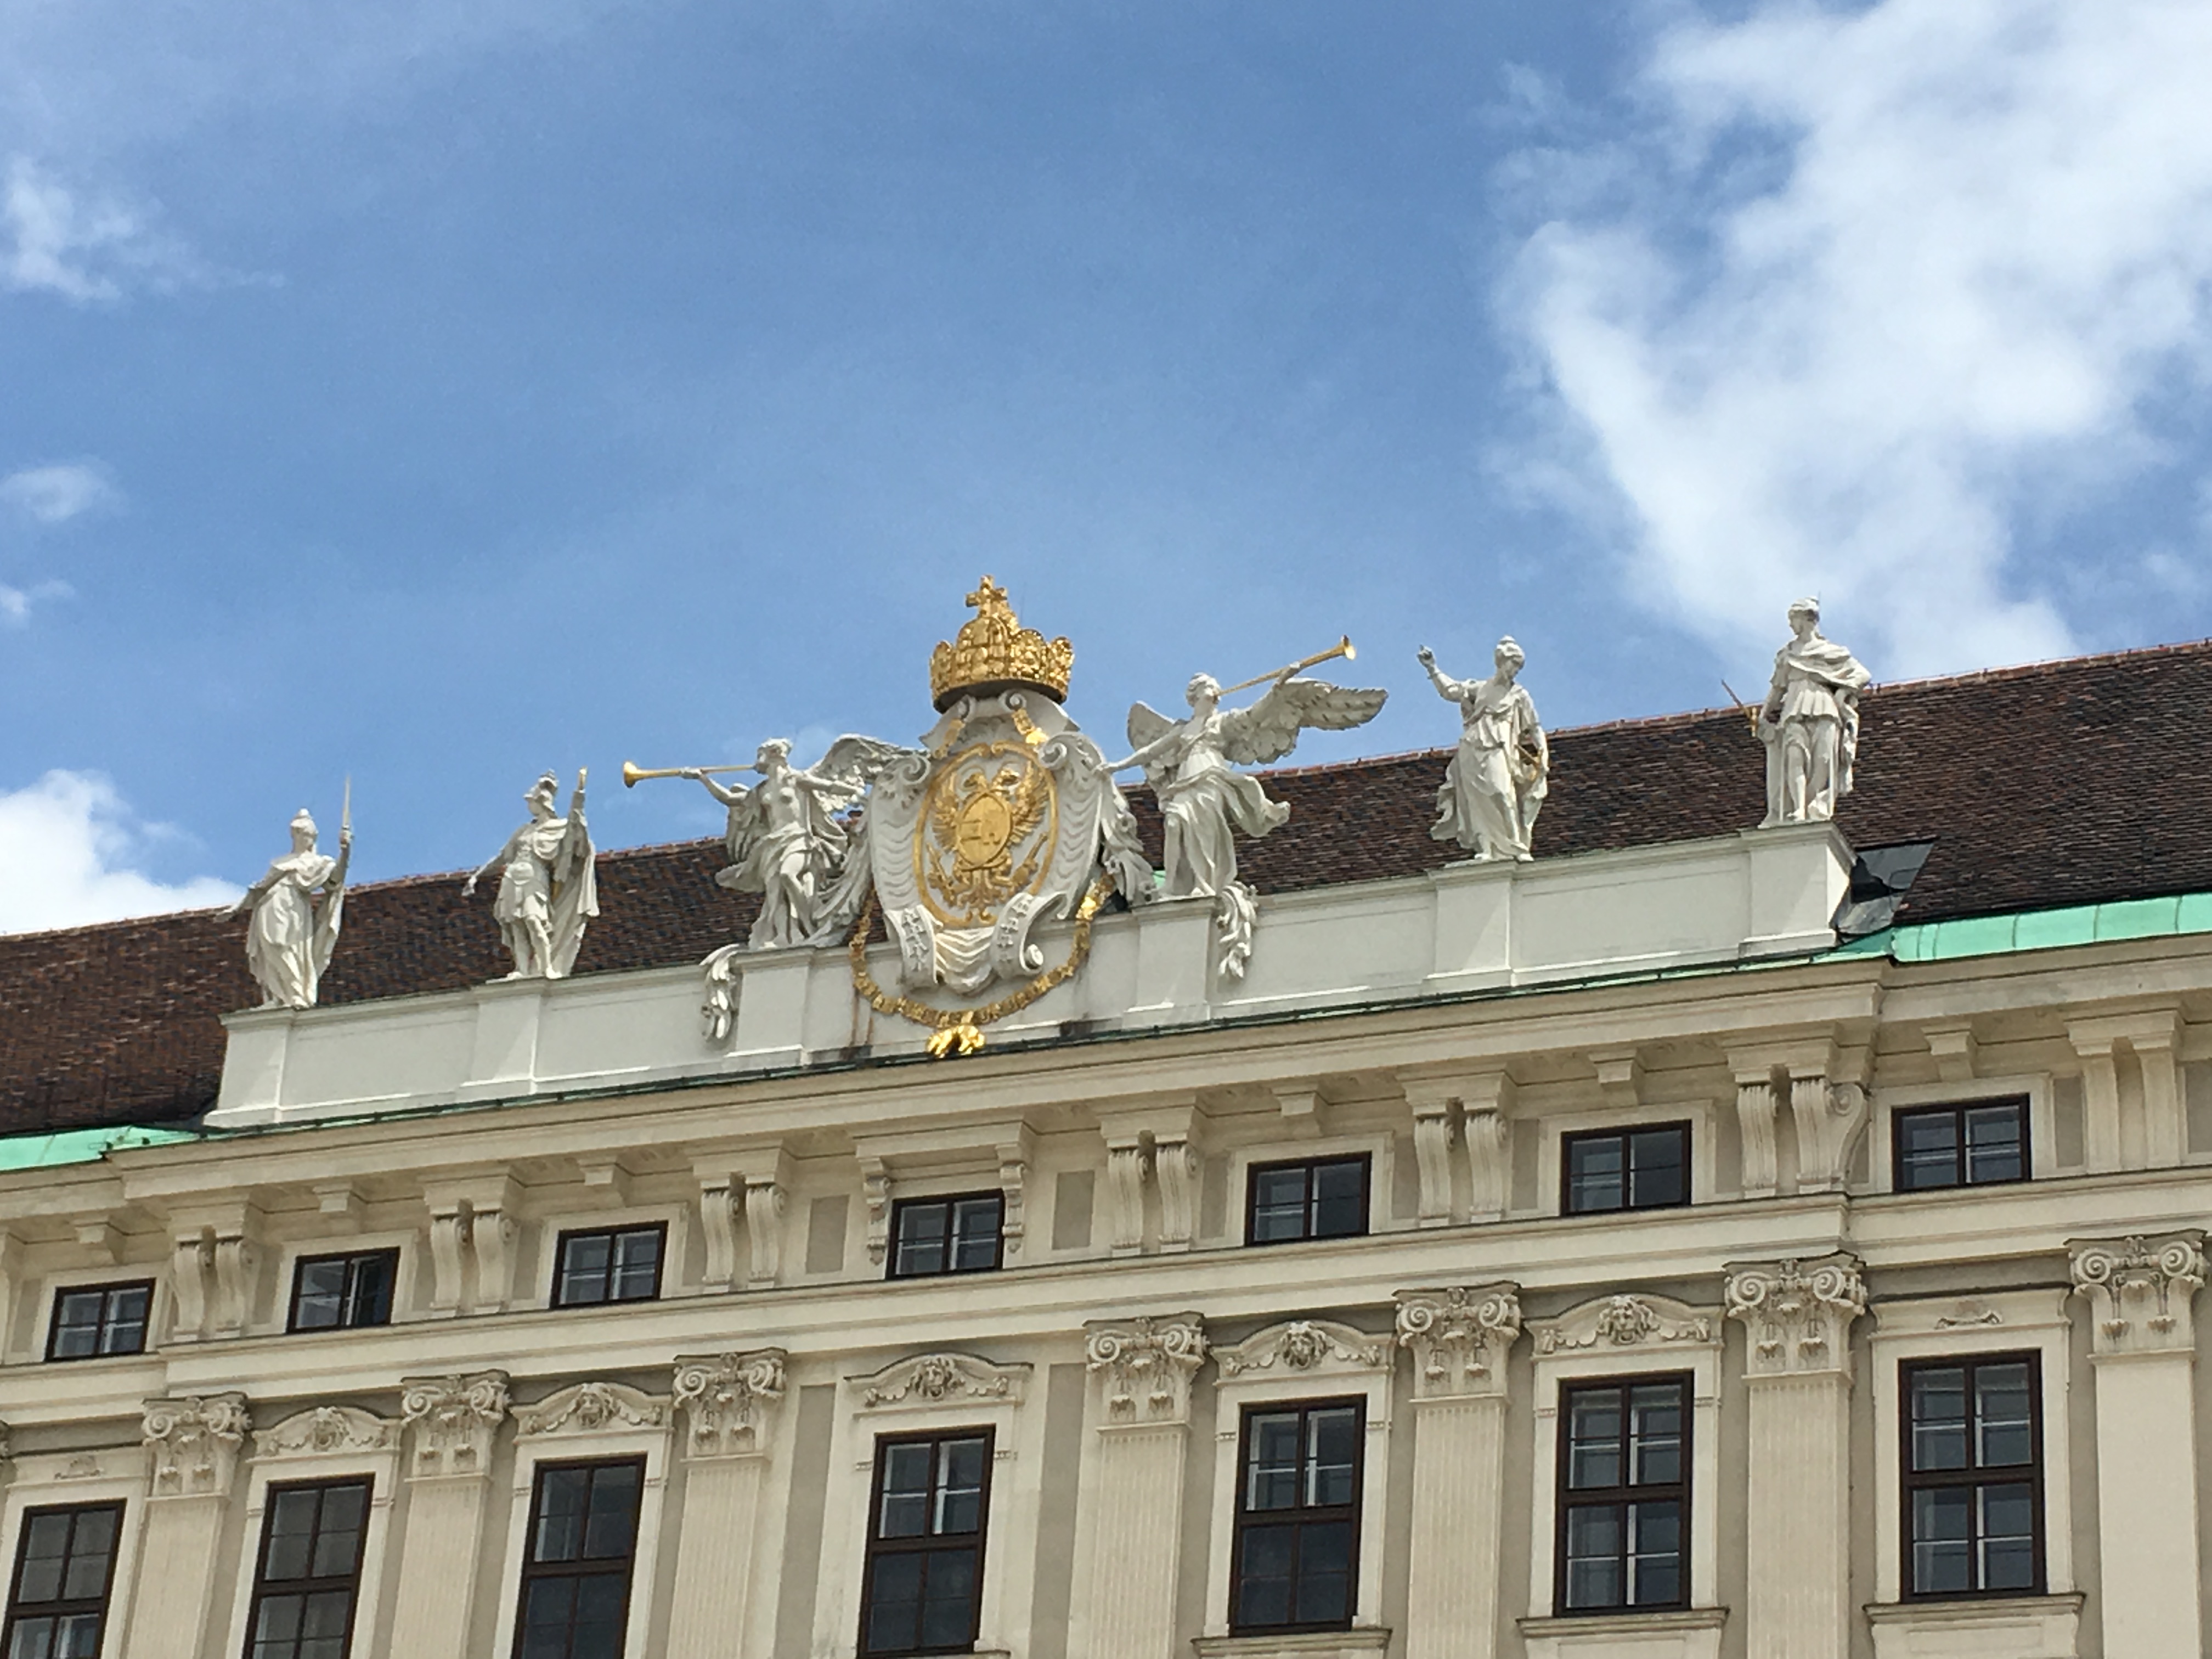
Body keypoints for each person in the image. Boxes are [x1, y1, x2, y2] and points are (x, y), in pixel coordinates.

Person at [1419, 637, 1549, 861]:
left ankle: (1516, 845)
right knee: (1476, 799)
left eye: (1518, 667)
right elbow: (1450, 691)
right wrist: (1432, 668)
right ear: (1501, 661)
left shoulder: (1519, 695)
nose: (1515, 671)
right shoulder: (1480, 688)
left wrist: (1543, 753)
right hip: (1472, 748)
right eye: (1513, 664)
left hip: (1499, 748)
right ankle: (1485, 847)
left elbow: (1535, 727)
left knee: (1502, 793)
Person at [464, 770, 597, 978]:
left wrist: (578, 802)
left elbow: (576, 841)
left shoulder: (560, 828)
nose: (529, 805)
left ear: (541, 803)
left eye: (531, 801)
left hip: (535, 877)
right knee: (517, 926)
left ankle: (546, 967)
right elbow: (502, 856)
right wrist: (477, 876)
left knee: (534, 922)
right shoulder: (524, 830)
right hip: (512, 877)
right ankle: (522, 969)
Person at [1759, 599, 1871, 826]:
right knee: (1795, 757)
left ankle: (1815, 808)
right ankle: (1798, 810)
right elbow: (1778, 688)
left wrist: (1843, 692)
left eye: (1793, 619)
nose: (1791, 625)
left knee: (1823, 761)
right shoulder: (1787, 654)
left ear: (1806, 619)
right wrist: (1762, 715)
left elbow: (1862, 675)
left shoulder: (1830, 652)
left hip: (1824, 707)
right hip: (1794, 708)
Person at [232, 808, 351, 1007]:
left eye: (308, 835)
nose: (305, 839)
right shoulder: (282, 862)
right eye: (301, 834)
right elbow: (260, 889)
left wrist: (345, 852)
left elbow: (335, 880)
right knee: (272, 947)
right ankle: (277, 995)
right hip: (269, 906)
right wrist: (236, 909)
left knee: (287, 946)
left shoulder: (319, 862)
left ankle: (295, 993)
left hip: (294, 908)